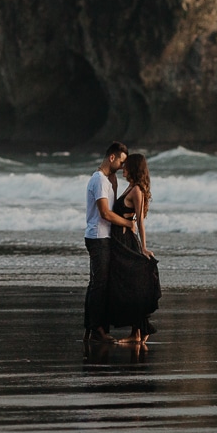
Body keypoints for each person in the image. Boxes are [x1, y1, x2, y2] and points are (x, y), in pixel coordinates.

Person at [105, 152, 160, 345]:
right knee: (126, 285)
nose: (123, 168)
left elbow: (141, 222)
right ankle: (138, 332)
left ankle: (136, 334)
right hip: (119, 238)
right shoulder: (130, 187)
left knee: (130, 286)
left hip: (125, 241)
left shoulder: (137, 191)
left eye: (126, 166)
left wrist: (143, 248)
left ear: (134, 168)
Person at [82, 141, 134, 341]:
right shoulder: (99, 180)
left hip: (101, 236)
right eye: (121, 162)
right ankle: (97, 330)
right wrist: (128, 225)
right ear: (112, 157)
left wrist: (114, 183)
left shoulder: (107, 180)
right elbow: (105, 213)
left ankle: (92, 327)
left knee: (96, 283)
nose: (123, 167)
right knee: (99, 285)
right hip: (98, 237)